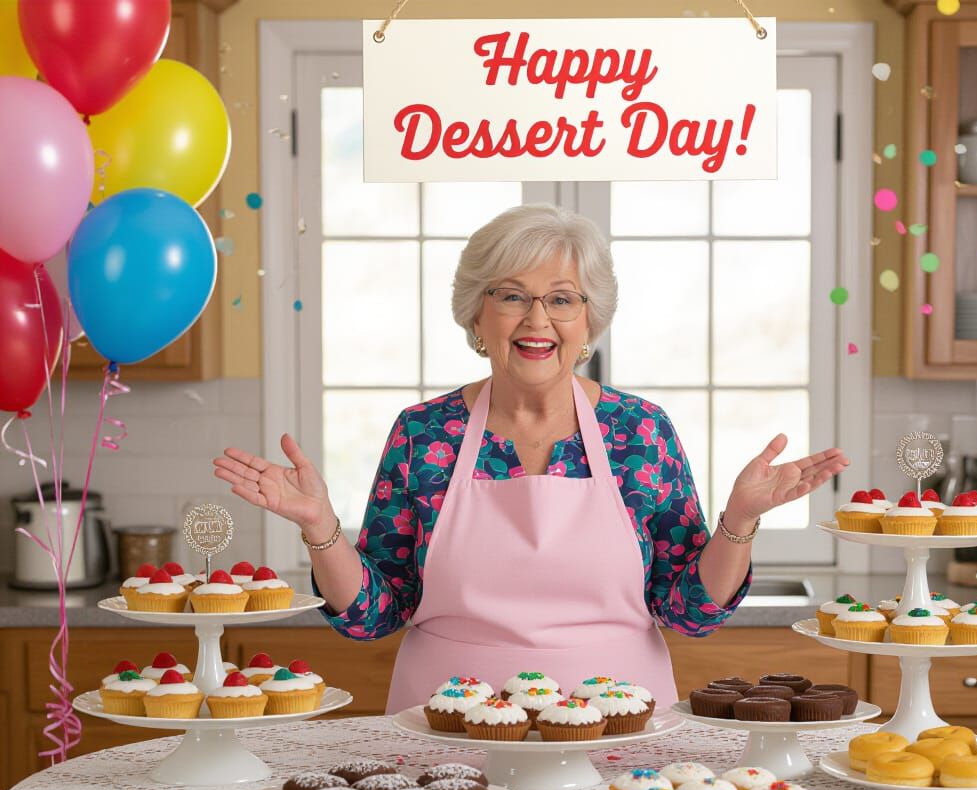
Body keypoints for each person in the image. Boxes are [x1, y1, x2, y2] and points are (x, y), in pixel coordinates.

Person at [213, 204, 848, 712]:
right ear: (477, 315)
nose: (536, 319)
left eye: (562, 298)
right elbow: (376, 613)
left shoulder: (640, 432)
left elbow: (689, 609)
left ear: (589, 320)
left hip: (616, 722)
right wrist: (321, 528)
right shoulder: (424, 433)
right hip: (443, 724)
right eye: (511, 296)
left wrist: (738, 519)